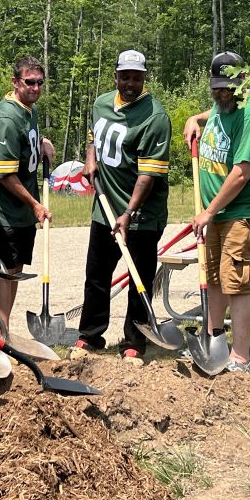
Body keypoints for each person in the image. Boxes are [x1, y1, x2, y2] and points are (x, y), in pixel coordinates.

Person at [181, 51, 250, 373]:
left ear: (243, 80)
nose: (224, 93)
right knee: (213, 276)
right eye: (218, 87)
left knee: (235, 281)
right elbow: (215, 111)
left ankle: (240, 358)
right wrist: (194, 119)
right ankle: (213, 340)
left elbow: (241, 172)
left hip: (247, 209)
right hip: (221, 211)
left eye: (230, 87)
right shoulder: (222, 103)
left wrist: (208, 211)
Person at [72, 50, 172, 363]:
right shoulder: (101, 103)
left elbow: (148, 175)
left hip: (141, 216)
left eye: (137, 77)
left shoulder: (155, 118)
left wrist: (127, 214)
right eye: (125, 76)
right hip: (104, 207)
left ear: (145, 78)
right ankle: (90, 335)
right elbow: (93, 136)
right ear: (116, 75)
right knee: (97, 276)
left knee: (138, 280)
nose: (130, 83)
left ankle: (135, 342)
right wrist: (90, 158)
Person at [0, 56, 54, 329]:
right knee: (5, 271)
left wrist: (41, 142)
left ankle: (3, 331)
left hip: (18, 209)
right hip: (2, 209)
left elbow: (22, 143)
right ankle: (0, 335)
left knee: (15, 269)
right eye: (29, 82)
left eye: (39, 82)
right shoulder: (7, 118)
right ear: (15, 82)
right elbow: (4, 174)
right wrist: (35, 204)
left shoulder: (26, 110)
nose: (35, 87)